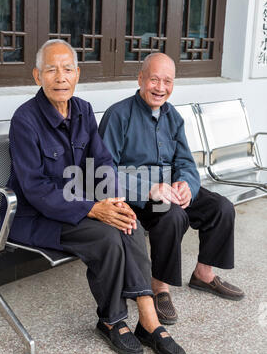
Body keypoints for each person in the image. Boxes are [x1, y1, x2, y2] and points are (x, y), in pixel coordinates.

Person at [0, 41, 187, 354]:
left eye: (68, 69)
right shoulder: (25, 120)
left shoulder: (83, 109)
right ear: (37, 76)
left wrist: (113, 199)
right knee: (106, 237)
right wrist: (91, 208)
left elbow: (102, 162)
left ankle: (148, 317)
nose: (61, 77)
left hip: (75, 203)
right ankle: (111, 319)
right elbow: (35, 188)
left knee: (129, 221)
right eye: (51, 70)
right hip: (33, 215)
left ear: (77, 74)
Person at [99, 52, 244, 326]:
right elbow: (104, 173)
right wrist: (150, 188)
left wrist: (186, 185)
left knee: (220, 207)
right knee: (172, 215)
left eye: (167, 81)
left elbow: (186, 162)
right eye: (154, 79)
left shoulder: (172, 116)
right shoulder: (118, 115)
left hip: (170, 188)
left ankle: (203, 274)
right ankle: (159, 287)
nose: (161, 88)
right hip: (138, 195)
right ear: (140, 79)